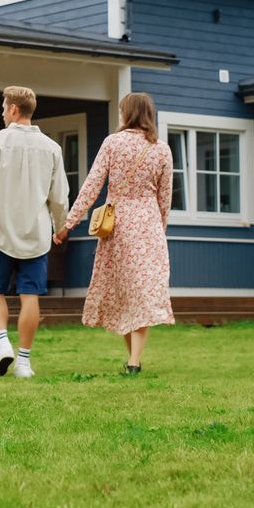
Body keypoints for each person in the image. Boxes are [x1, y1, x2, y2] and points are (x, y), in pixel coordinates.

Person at [57, 92, 174, 375]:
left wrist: (68, 223)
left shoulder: (112, 143)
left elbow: (91, 186)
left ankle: (133, 361)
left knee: (123, 292)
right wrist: (160, 228)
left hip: (117, 224)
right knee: (142, 293)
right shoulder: (161, 149)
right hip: (148, 225)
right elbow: (165, 197)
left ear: (128, 113)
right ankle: (134, 360)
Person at [0, 85, 68, 379]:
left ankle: (2, 343)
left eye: (4, 108)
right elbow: (59, 196)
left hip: (2, 231)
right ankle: (24, 362)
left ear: (14, 109)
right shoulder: (53, 148)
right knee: (30, 296)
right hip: (37, 234)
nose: (2, 113)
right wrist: (60, 226)